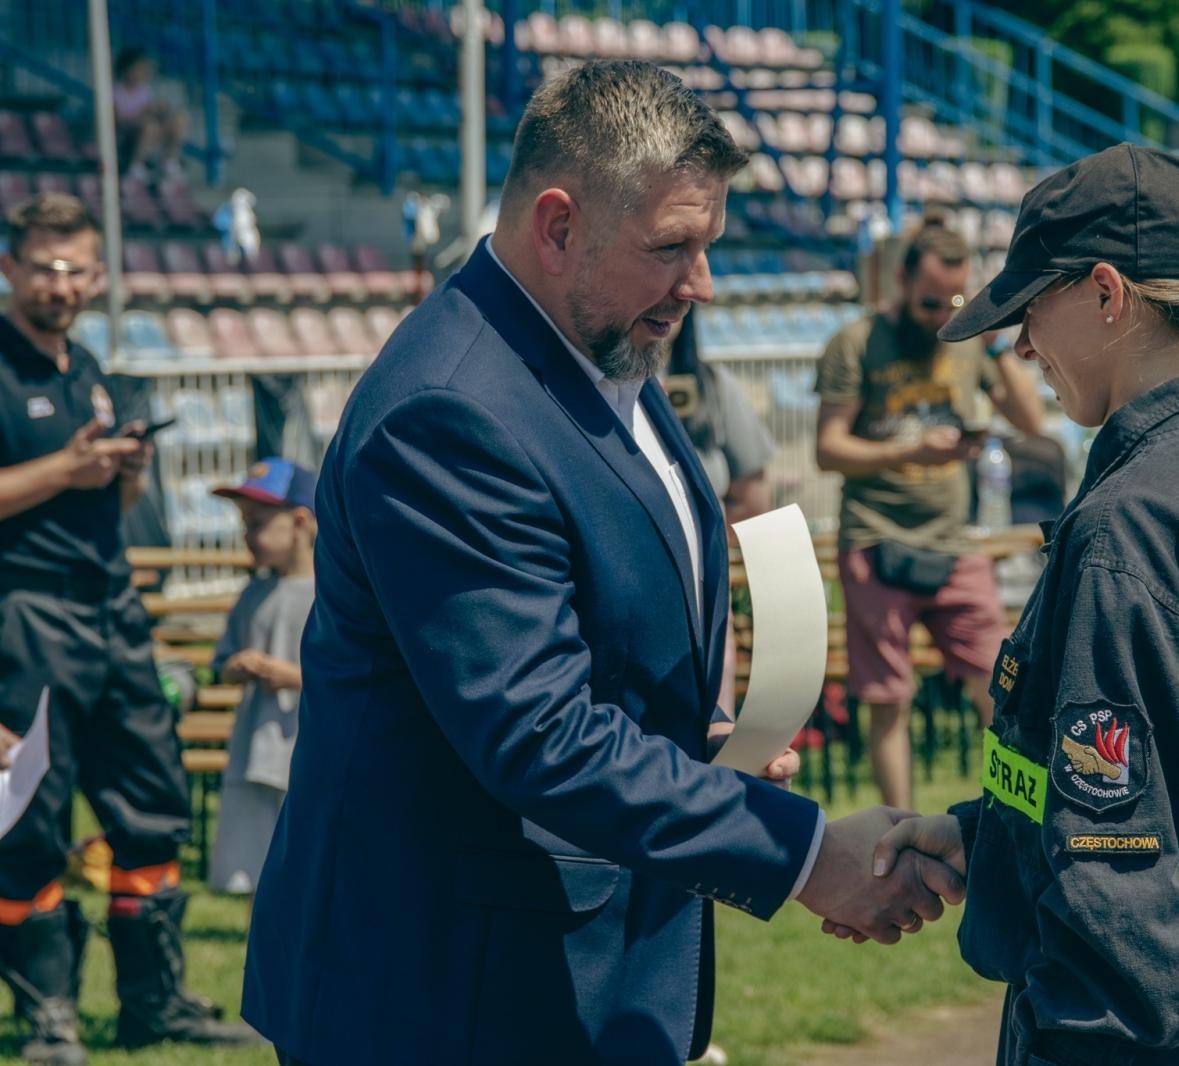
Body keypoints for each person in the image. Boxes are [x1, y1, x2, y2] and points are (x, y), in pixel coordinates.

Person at [242, 61, 963, 1066]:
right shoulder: (448, 411)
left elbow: (590, 633)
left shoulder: (597, 342)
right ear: (557, 226)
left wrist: (692, 739)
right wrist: (802, 856)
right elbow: (537, 730)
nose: (699, 284)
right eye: (671, 247)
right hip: (442, 992)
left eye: (707, 246)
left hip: (564, 970)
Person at [857, 145, 1179, 1063]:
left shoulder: (1132, 525)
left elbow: (1125, 885)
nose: (1023, 346)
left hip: (1141, 1038)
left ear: (1107, 294)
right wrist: (982, 835)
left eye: (1033, 308)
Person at [0, 193, 258, 1063]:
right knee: (28, 817)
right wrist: (66, 468)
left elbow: (115, 505)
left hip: (111, 611)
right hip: (23, 616)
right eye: (44, 267)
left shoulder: (96, 372)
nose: (61, 284)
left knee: (152, 807)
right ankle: (49, 1017)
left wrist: (124, 474)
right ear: (10, 268)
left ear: (99, 277)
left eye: (76, 270)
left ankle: (154, 1003)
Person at [814, 218, 1045, 810]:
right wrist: (911, 451)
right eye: (927, 301)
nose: (939, 313)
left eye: (954, 301)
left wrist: (993, 339)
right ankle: (900, 828)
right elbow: (828, 448)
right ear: (900, 279)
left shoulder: (967, 340)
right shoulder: (857, 343)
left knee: (1001, 684)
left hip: (953, 542)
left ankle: (1018, 814)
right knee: (889, 698)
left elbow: (1031, 422)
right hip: (876, 539)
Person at [206, 458, 317, 898]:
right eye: (244, 524)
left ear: (300, 521)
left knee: (306, 860)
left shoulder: (331, 594)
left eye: (257, 523)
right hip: (255, 745)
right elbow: (221, 661)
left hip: (305, 748)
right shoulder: (253, 593)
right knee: (259, 865)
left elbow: (349, 676)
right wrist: (236, 666)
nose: (247, 536)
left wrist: (289, 676)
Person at [663, 308, 776, 718]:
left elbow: (752, 491)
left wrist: (709, 552)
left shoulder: (713, 387)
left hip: (704, 594)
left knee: (712, 723)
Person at [112, 47, 188, 178]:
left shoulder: (144, 90)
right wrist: (140, 116)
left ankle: (169, 160)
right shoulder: (116, 91)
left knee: (180, 120)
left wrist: (160, 109)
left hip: (148, 128)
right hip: (127, 133)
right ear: (126, 69)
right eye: (138, 69)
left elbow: (150, 110)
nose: (142, 73)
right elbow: (116, 120)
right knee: (149, 127)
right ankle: (136, 165)